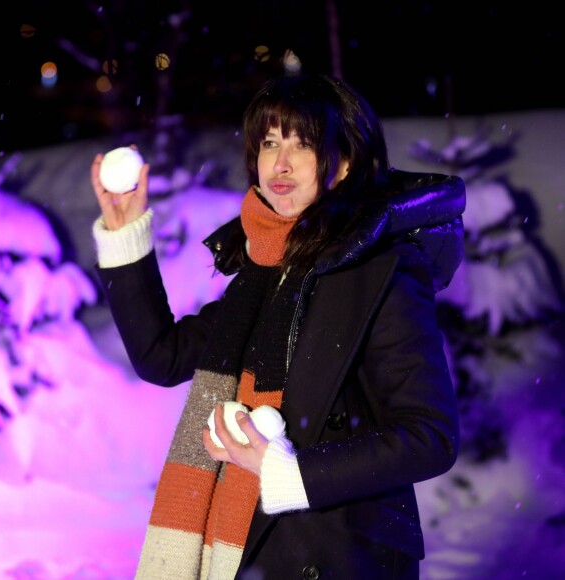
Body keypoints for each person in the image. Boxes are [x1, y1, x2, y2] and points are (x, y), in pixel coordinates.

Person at [90, 71, 465, 579]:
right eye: (269, 143)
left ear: (345, 163)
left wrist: (293, 474)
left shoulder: (383, 272)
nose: (280, 163)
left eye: (304, 144)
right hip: (245, 547)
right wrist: (124, 233)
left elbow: (430, 435)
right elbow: (164, 355)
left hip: (336, 554)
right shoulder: (264, 271)